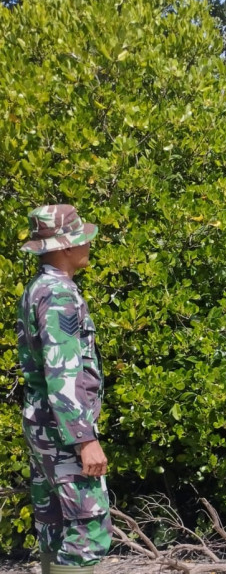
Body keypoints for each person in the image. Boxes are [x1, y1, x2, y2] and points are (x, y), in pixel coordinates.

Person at [16, 205, 112, 574]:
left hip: (43, 424)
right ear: (64, 247)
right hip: (63, 432)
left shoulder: (37, 288)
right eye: (81, 238)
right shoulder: (58, 294)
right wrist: (85, 439)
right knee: (86, 529)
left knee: (54, 525)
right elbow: (63, 372)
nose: (88, 243)